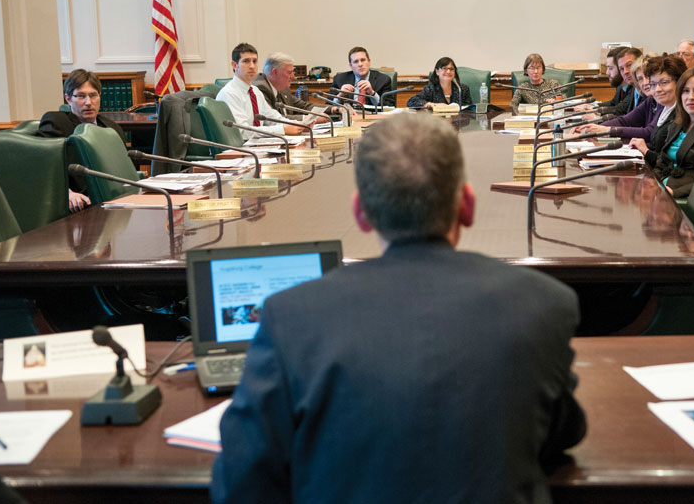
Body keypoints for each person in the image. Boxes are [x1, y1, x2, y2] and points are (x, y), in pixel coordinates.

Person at [211, 113, 586, 504]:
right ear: (468, 206)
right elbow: (563, 433)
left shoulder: (290, 317)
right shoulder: (543, 304)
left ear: (361, 214)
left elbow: (242, 483)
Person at [631, 65, 694, 198]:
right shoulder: (678, 123)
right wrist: (650, 181)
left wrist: (674, 193)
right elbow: (662, 162)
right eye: (685, 91)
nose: (690, 97)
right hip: (662, 187)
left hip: (684, 196)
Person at [37, 69, 125, 212]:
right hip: (79, 202)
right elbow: (43, 165)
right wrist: (66, 193)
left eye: (93, 95)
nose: (88, 102)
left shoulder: (112, 128)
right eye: (81, 96)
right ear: (68, 98)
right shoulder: (57, 122)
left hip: (112, 200)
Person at [217, 43, 308, 139]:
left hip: (257, 145)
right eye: (246, 61)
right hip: (240, 149)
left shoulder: (255, 91)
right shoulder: (229, 93)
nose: (252, 66)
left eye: (254, 61)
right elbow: (242, 132)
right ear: (235, 65)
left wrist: (300, 125)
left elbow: (273, 118)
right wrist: (283, 130)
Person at [576, 55, 663, 143]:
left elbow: (649, 133)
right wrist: (591, 129)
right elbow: (624, 121)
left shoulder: (663, 103)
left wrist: (607, 130)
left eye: (648, 77)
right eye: (640, 79)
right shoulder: (650, 101)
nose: (645, 82)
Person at [331, 46, 395, 110]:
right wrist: (340, 95)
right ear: (351, 66)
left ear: (369, 62)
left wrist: (372, 93)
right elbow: (328, 106)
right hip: (349, 117)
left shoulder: (383, 80)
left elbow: (389, 106)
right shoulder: (339, 79)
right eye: (356, 61)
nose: (360, 64)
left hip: (373, 117)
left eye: (363, 60)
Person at [253, 53, 313, 119]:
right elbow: (271, 119)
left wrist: (324, 110)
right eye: (289, 72)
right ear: (275, 72)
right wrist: (306, 118)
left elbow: (303, 106)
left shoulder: (283, 88)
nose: (293, 76)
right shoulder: (261, 88)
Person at [406, 56, 473, 109]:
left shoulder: (462, 89)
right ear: (437, 71)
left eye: (451, 69)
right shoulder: (431, 89)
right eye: (445, 68)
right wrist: (433, 105)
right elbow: (411, 102)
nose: (448, 72)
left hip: (458, 124)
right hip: (437, 123)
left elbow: (469, 109)